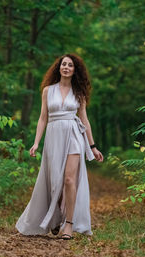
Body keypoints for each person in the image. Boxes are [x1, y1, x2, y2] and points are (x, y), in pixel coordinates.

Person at [16, 54, 104, 240]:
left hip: (73, 135)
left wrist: (93, 146)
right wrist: (36, 142)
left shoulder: (79, 94)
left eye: (70, 65)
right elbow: (43, 118)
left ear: (74, 70)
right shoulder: (48, 91)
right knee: (55, 181)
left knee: (69, 180)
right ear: (59, 68)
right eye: (63, 64)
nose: (66, 67)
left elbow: (84, 120)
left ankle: (69, 225)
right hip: (53, 137)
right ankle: (55, 218)